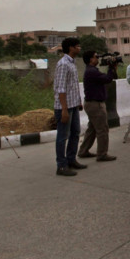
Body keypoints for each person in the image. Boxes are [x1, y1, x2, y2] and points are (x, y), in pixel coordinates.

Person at [54, 37, 86, 176]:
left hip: (73, 105)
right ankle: (61, 165)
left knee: (75, 133)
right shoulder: (63, 64)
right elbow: (61, 89)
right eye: (77, 46)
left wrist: (78, 101)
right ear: (70, 48)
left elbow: (73, 85)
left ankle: (71, 159)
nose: (79, 48)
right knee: (62, 136)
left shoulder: (72, 64)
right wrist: (64, 110)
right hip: (64, 107)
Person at [78, 51, 118, 162]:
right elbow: (108, 79)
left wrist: (112, 67)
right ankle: (102, 154)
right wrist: (111, 66)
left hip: (92, 104)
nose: (98, 59)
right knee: (102, 129)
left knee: (92, 129)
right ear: (91, 59)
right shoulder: (92, 71)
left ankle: (83, 151)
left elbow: (111, 77)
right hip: (96, 105)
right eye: (96, 57)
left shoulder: (91, 71)